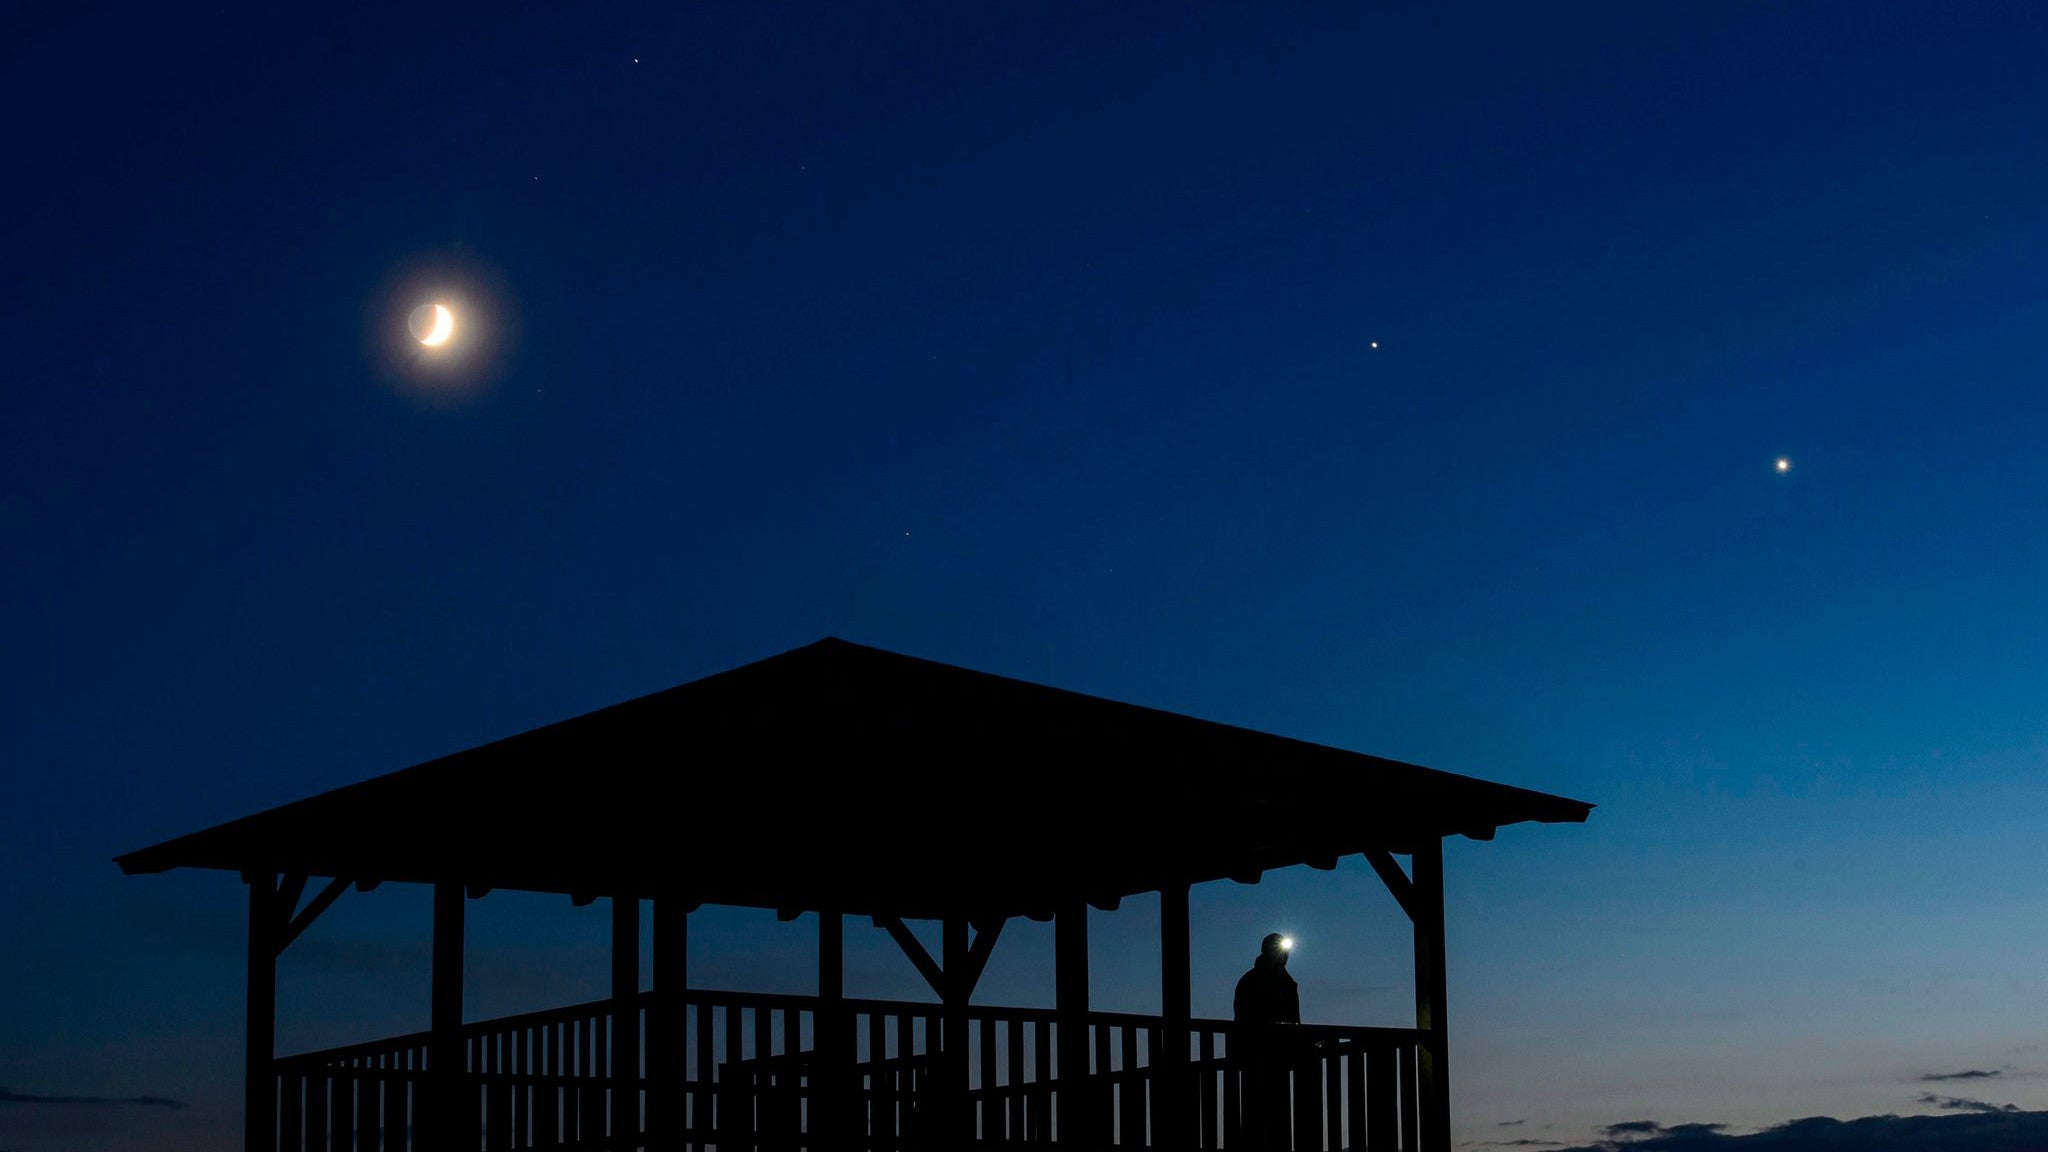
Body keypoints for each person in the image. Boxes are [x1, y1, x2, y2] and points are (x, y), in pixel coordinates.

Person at [1234, 933, 1301, 1149]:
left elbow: (1294, 1023)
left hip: (1273, 1058)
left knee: (1274, 1116)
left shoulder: (1284, 982)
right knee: (1261, 1115)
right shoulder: (1254, 981)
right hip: (1259, 1057)